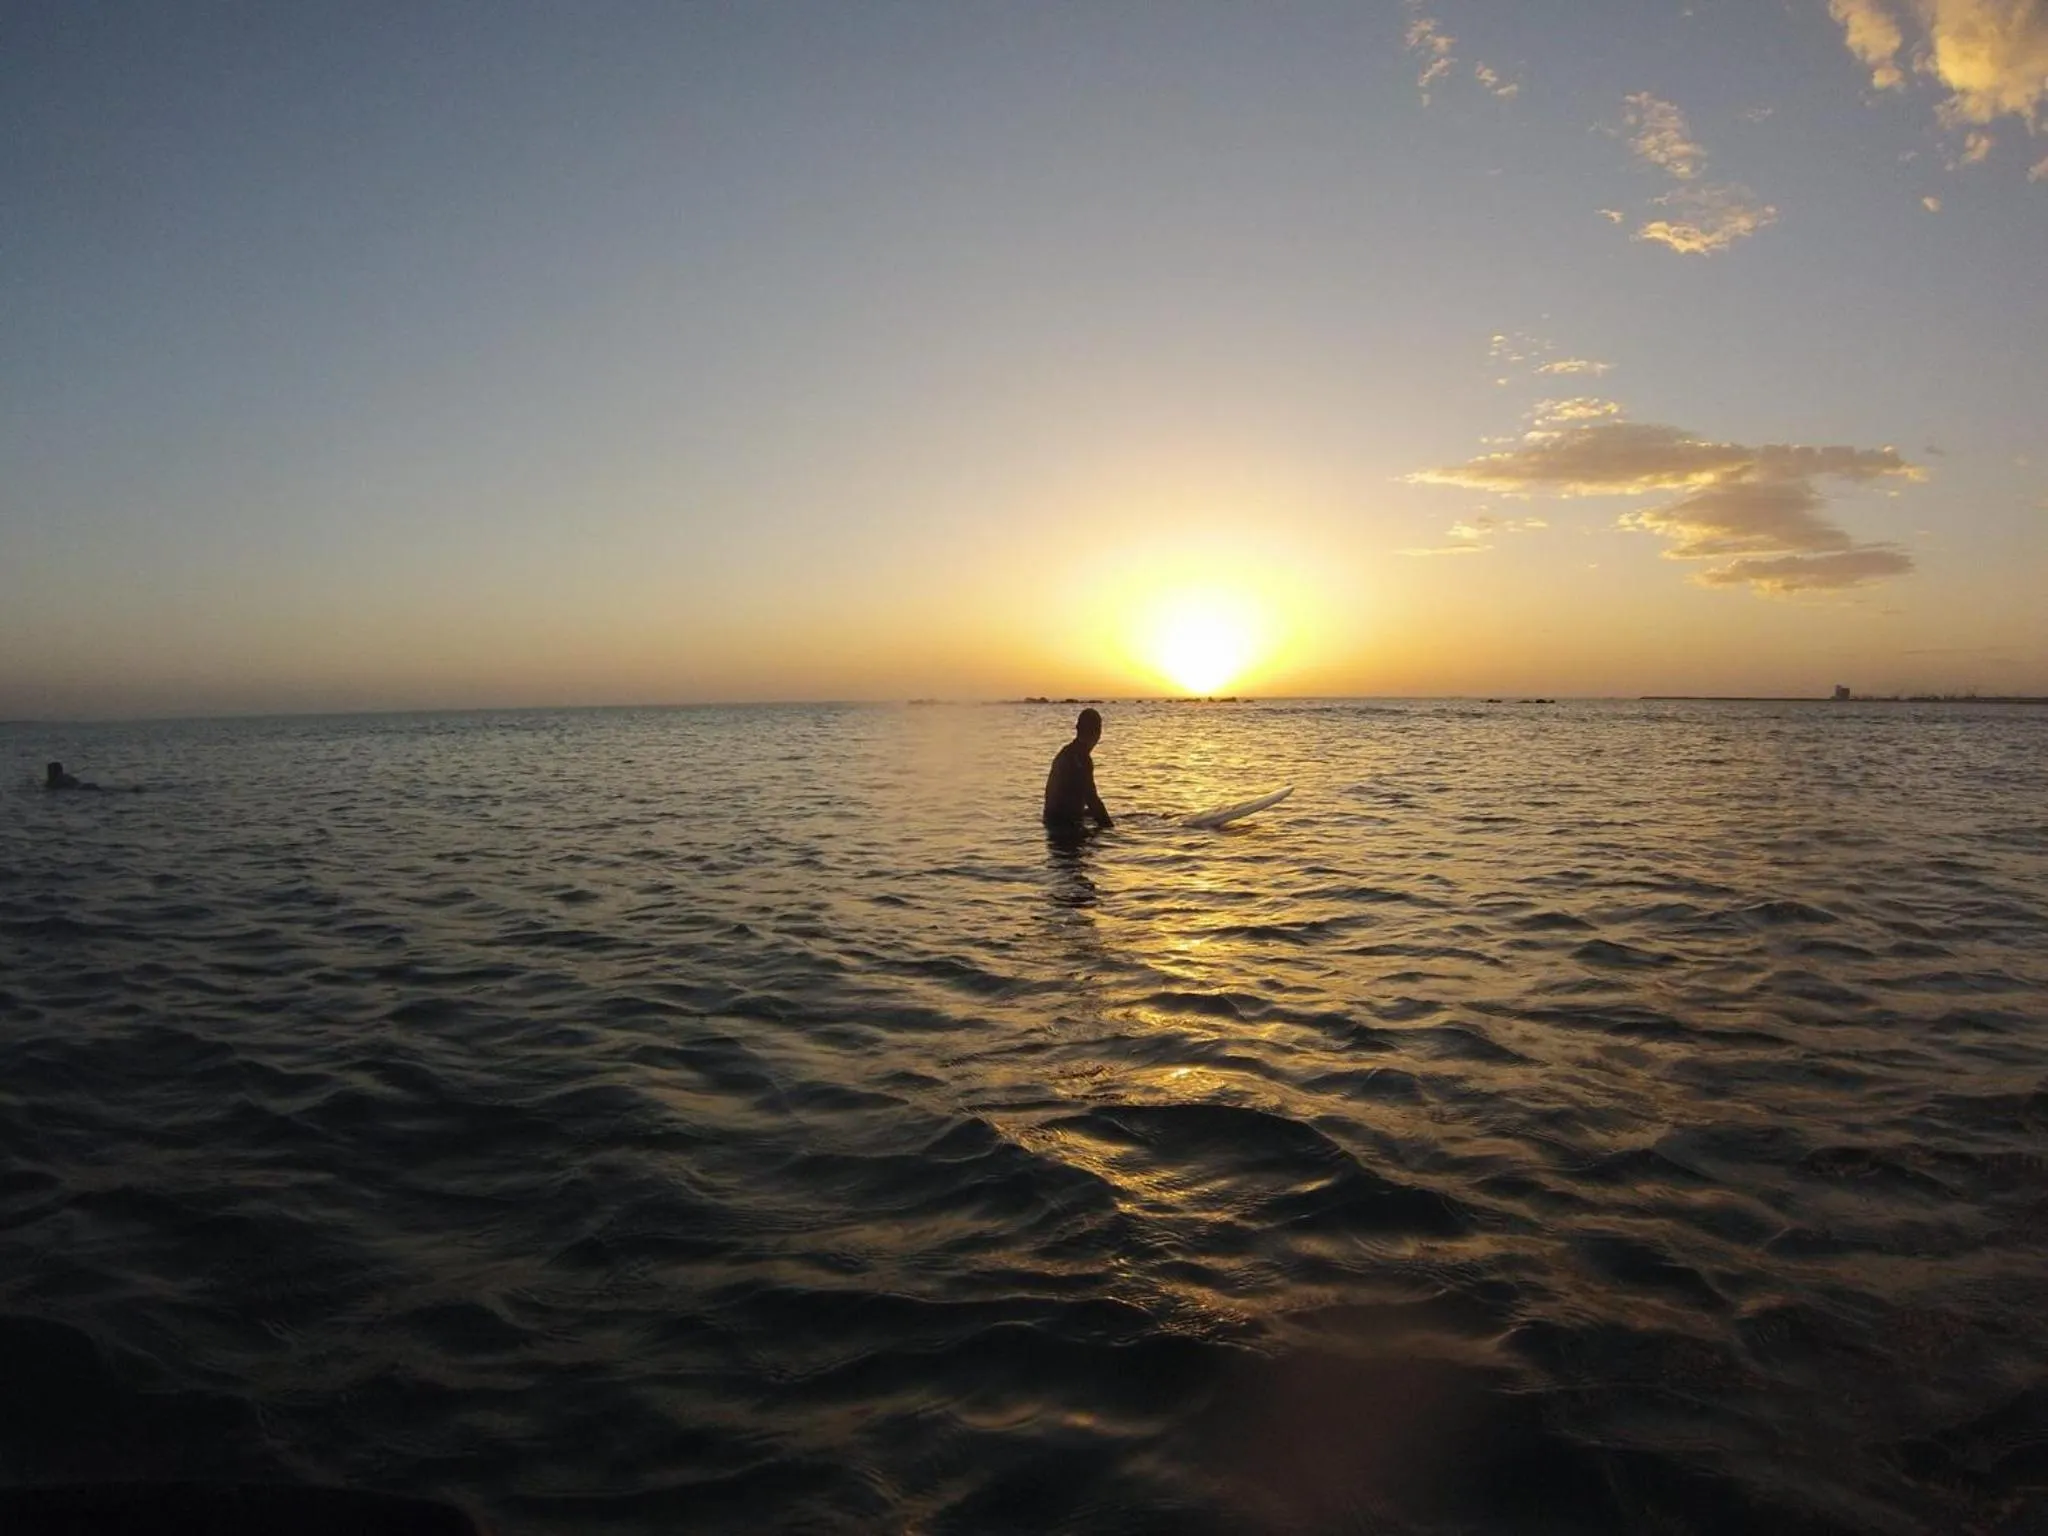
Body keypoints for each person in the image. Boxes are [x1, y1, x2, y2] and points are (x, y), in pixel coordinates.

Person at [1043, 708, 1113, 830]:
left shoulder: (1067, 752)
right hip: (1064, 826)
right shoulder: (1081, 759)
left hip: (1051, 819)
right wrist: (1112, 829)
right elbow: (1092, 799)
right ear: (1098, 733)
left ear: (1077, 728)